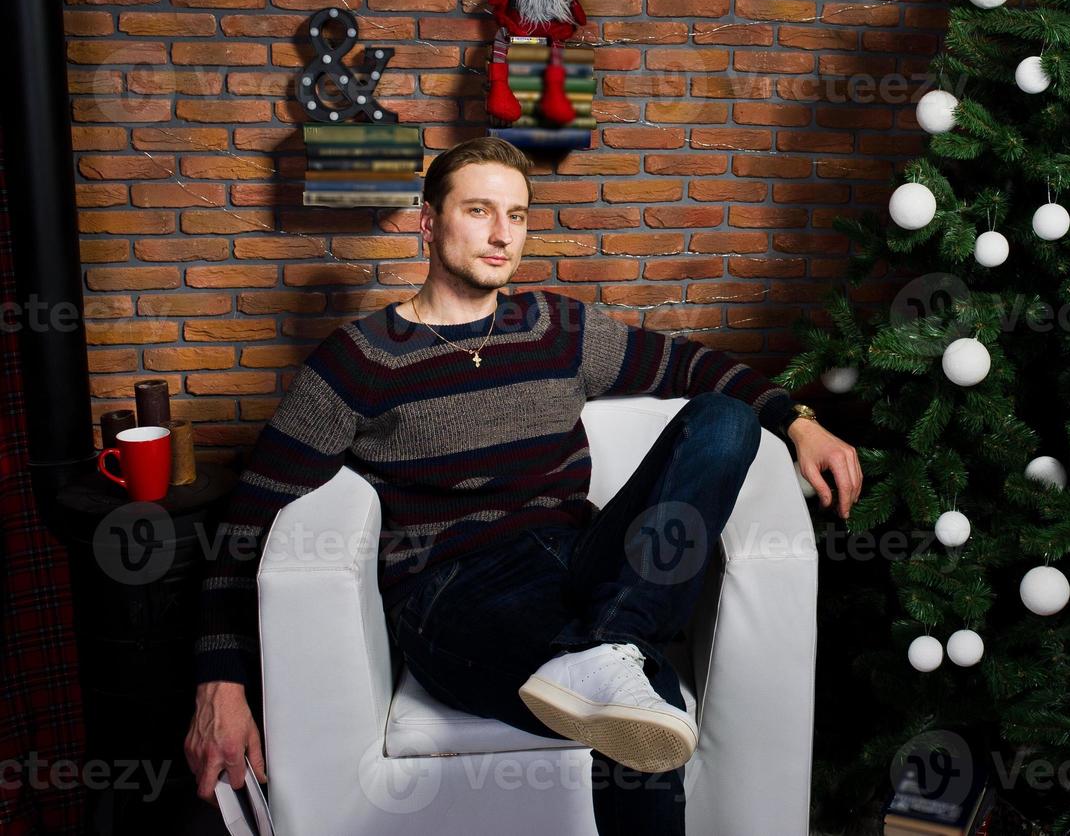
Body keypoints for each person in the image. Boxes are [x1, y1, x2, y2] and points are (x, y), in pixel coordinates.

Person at [184, 135, 862, 832]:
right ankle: (617, 658)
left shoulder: (557, 327)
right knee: (646, 704)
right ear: (427, 222)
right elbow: (249, 522)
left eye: (517, 214)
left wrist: (798, 420)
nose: (502, 233)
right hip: (452, 591)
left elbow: (693, 369)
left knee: (723, 422)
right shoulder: (358, 361)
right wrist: (220, 686)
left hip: (580, 554)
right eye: (478, 210)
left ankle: (613, 643)